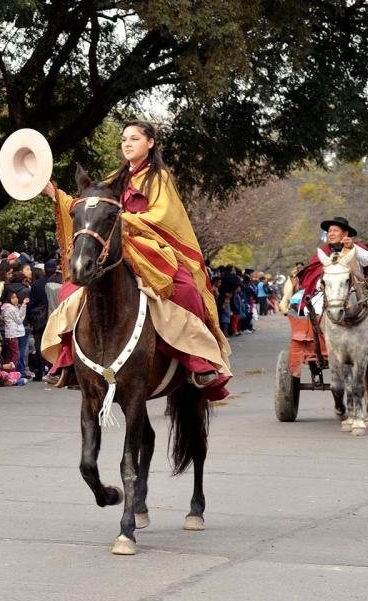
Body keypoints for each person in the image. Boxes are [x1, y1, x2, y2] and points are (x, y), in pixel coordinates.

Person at [41, 121, 231, 398]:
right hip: (113, 246)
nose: (127, 144)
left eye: (134, 139)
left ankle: (196, 360)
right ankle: (68, 358)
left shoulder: (159, 178)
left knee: (186, 289)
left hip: (149, 245)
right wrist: (54, 193)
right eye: (124, 140)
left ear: (150, 143)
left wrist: (124, 219)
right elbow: (91, 207)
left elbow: (162, 217)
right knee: (71, 288)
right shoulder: (113, 178)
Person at [297, 216, 368, 315]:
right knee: (310, 310)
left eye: (335, 231)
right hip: (330, 293)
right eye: (329, 231)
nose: (331, 234)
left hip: (355, 292)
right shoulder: (324, 251)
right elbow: (314, 274)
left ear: (345, 234)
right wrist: (321, 283)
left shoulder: (356, 247)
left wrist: (352, 246)